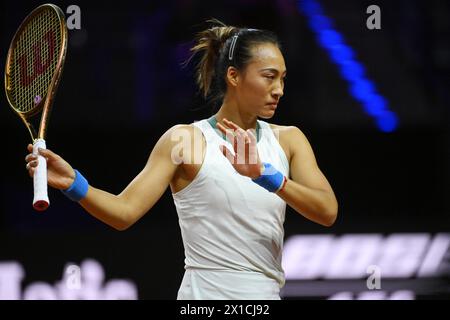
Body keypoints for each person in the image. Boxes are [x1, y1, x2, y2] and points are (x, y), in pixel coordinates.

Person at [25, 19, 338, 300]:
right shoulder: (183, 140)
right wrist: (72, 184)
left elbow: (327, 211)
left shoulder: (289, 139)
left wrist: (266, 176)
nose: (279, 89)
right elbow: (124, 212)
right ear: (234, 76)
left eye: (282, 79)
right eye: (269, 77)